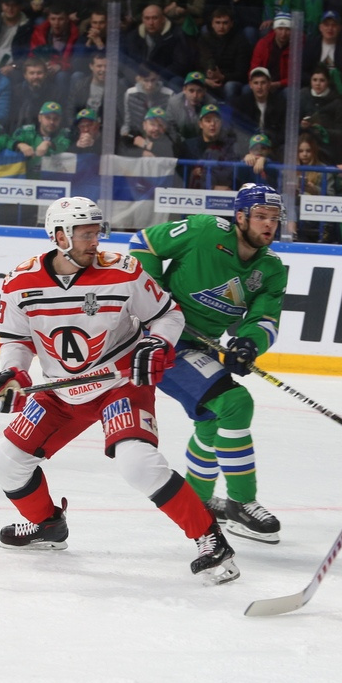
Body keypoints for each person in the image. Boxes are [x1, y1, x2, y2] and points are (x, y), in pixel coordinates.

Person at [0, 196, 239, 584]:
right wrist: (13, 373)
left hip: (119, 382)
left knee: (136, 462)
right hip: (59, 390)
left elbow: (168, 314)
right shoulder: (20, 282)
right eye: (85, 233)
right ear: (59, 236)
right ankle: (47, 526)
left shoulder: (123, 271)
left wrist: (158, 344)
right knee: (7, 460)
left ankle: (210, 538)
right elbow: (15, 339)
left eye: (96, 232)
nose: (95, 241)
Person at [129, 183, 287, 543]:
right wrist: (153, 294)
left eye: (274, 219)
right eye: (261, 216)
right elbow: (144, 242)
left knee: (214, 418)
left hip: (199, 346)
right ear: (241, 217)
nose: (268, 225)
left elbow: (265, 319)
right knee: (235, 403)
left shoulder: (272, 268)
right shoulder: (204, 231)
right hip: (159, 342)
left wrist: (248, 344)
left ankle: (198, 500)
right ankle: (240, 504)